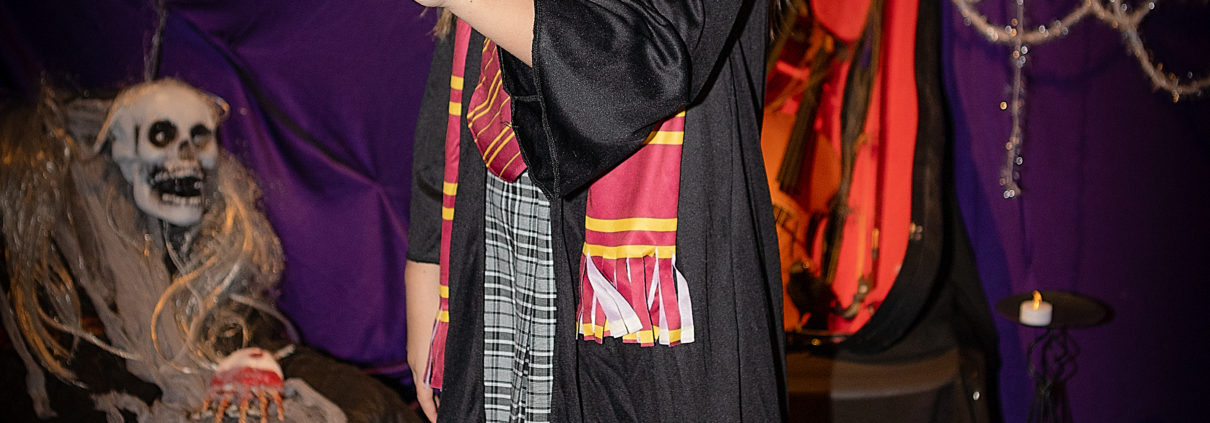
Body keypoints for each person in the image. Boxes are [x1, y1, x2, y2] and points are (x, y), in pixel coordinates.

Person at [404, 0, 787, 421]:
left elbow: (653, 58)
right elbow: (465, 46)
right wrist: (426, 259)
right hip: (500, 237)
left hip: (653, 280)